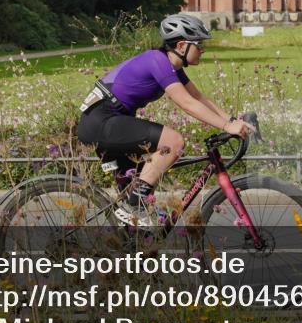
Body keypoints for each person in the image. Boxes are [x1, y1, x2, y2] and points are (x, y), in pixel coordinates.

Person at [77, 13, 255, 226]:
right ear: (181, 45)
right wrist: (227, 126)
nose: (203, 50)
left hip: (111, 121)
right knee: (173, 142)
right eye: (199, 44)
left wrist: (233, 120)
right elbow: (187, 104)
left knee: (139, 205)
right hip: (101, 121)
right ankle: (133, 207)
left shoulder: (172, 66)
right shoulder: (157, 61)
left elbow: (198, 98)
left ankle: (130, 238)